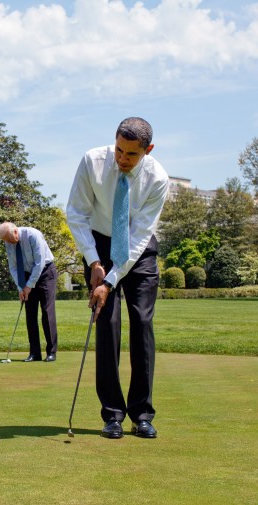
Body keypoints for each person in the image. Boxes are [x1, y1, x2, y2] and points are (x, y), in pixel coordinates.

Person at [66, 117, 169, 439]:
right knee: (106, 325)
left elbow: (139, 237)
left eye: (131, 155)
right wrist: (94, 260)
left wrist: (110, 280)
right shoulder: (92, 161)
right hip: (97, 243)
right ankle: (112, 415)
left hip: (138, 251)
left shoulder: (158, 179)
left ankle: (142, 414)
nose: (122, 159)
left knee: (141, 323)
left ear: (147, 150)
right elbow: (77, 213)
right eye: (119, 150)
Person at [0, 222, 58, 362]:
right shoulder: (8, 241)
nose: (10, 243)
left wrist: (29, 285)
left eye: (10, 239)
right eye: (6, 241)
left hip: (45, 273)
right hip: (25, 275)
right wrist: (21, 287)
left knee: (47, 312)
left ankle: (51, 352)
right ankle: (35, 353)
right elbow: (13, 267)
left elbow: (40, 262)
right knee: (30, 314)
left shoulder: (33, 235)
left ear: (15, 232)